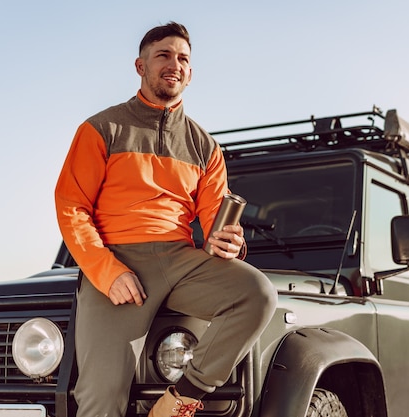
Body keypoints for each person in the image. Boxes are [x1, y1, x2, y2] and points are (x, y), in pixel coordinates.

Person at [54, 22, 277, 417]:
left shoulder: (206, 146)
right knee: (100, 397)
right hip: (120, 266)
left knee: (257, 293)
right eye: (164, 55)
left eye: (183, 59)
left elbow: (214, 216)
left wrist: (228, 241)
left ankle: (179, 400)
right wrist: (107, 272)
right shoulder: (100, 129)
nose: (174, 64)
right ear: (140, 66)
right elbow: (72, 206)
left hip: (180, 258)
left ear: (190, 74)